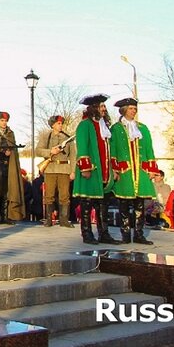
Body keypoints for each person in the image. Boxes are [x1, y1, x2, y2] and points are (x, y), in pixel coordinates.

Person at [109, 98, 158, 245]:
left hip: (140, 171)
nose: (133, 111)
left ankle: (138, 234)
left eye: (134, 108)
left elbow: (149, 149)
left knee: (140, 205)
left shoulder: (142, 128)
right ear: (124, 110)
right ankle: (125, 234)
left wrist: (152, 169)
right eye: (131, 108)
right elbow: (113, 150)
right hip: (125, 172)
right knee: (123, 204)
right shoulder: (116, 128)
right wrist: (115, 170)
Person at [73, 93, 119, 245]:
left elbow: (110, 149)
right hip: (91, 171)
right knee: (87, 204)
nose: (104, 109)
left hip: (105, 172)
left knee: (103, 205)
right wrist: (85, 167)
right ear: (94, 108)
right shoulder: (85, 125)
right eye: (101, 106)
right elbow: (82, 147)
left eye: (104, 106)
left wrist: (114, 169)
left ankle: (104, 233)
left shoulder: (104, 126)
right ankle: (87, 234)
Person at [36, 115, 75, 228]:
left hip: (64, 169)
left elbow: (73, 155)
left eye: (61, 123)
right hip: (50, 168)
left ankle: (64, 219)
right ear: (52, 125)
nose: (60, 125)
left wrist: (73, 171)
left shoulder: (68, 138)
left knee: (65, 195)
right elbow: (38, 150)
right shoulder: (46, 136)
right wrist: (50, 151)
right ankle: (49, 219)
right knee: (49, 195)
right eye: (58, 123)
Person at [0, 111, 24, 225]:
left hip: (7, 166)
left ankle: (5, 216)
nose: (4, 123)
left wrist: (10, 152)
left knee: (6, 192)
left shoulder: (10, 134)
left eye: (5, 121)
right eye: (2, 120)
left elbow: (13, 148)